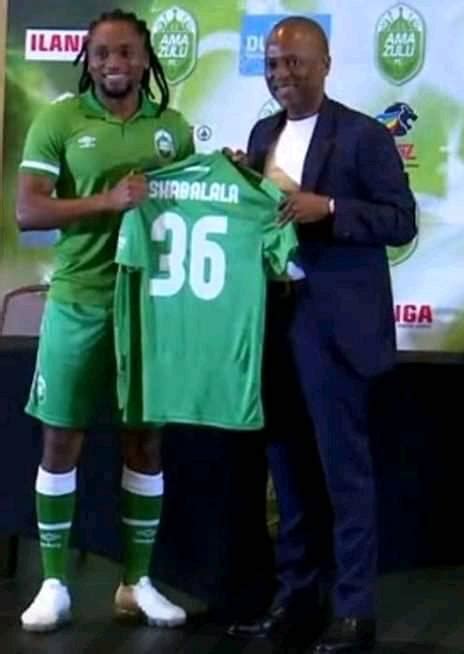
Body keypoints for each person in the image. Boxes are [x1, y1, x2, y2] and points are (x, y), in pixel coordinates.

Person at [226, 16, 417, 653]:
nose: (281, 74)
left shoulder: (364, 136)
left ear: (325, 64)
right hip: (273, 323)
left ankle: (354, 612)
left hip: (334, 329)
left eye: (294, 62)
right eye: (272, 64)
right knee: (288, 473)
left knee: (344, 476)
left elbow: (401, 220)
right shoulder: (262, 134)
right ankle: (296, 603)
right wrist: (239, 179)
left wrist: (328, 208)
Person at [16, 9, 194, 632]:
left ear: (145, 60)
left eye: (125, 52)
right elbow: (28, 212)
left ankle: (135, 583)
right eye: (101, 54)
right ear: (87, 61)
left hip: (148, 306)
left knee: (145, 441)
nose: (113, 63)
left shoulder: (173, 129)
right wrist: (108, 201)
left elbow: (194, 207)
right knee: (60, 439)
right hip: (78, 301)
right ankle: (54, 584)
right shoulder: (60, 119)